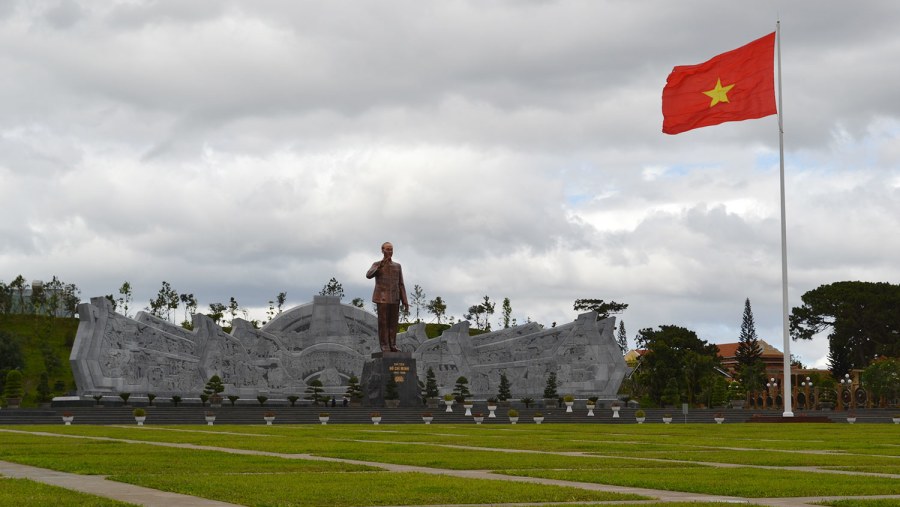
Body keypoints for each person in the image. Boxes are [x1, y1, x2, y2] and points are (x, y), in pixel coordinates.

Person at [366, 241, 409, 352]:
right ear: (382, 250)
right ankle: (384, 345)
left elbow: (401, 284)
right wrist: (380, 265)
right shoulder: (377, 264)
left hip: (395, 298)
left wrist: (405, 300)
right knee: (383, 323)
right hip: (382, 297)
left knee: (393, 323)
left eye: (391, 249)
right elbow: (368, 275)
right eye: (387, 249)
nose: (390, 251)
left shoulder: (397, 266)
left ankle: (393, 345)